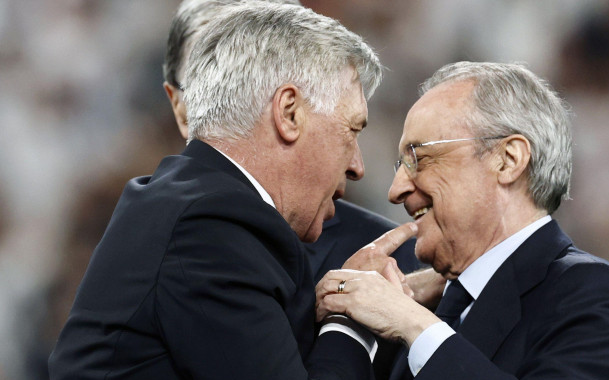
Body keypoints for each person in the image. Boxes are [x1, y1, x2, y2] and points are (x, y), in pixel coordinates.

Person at [45, 3, 392, 380]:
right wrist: (352, 316)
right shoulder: (210, 227)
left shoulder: (189, 200)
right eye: (350, 130)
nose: (357, 164)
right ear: (289, 113)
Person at [317, 61, 609, 380]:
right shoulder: (426, 305)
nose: (396, 189)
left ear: (508, 160)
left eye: (419, 158)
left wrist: (414, 325)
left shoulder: (592, 294)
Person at [161, 0, 423, 282]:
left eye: (260, 64)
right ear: (180, 108)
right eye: (211, 74)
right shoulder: (157, 235)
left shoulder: (394, 262)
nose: (235, 86)